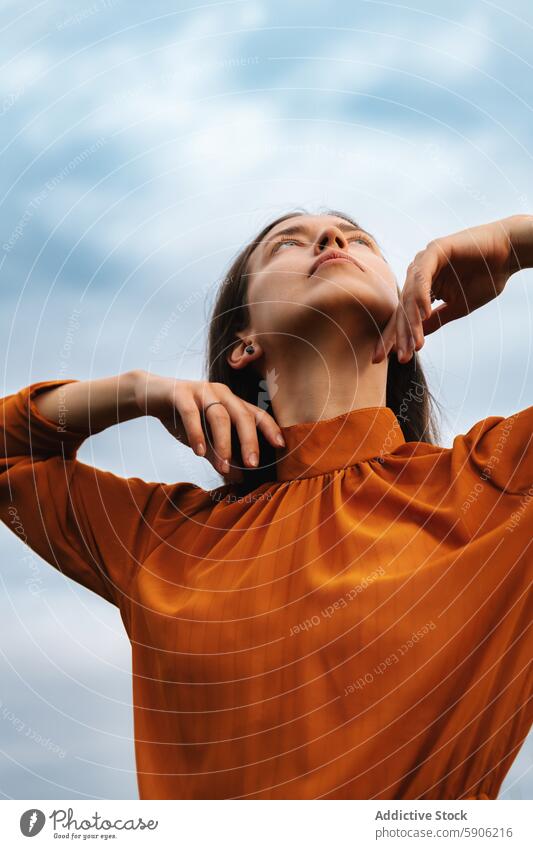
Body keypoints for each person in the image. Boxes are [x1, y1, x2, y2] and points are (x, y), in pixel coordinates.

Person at [1, 209, 532, 800]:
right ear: (243, 343)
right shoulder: (167, 539)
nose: (333, 240)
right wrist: (137, 391)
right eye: (288, 244)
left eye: (361, 241)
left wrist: (511, 244)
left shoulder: (497, 483)